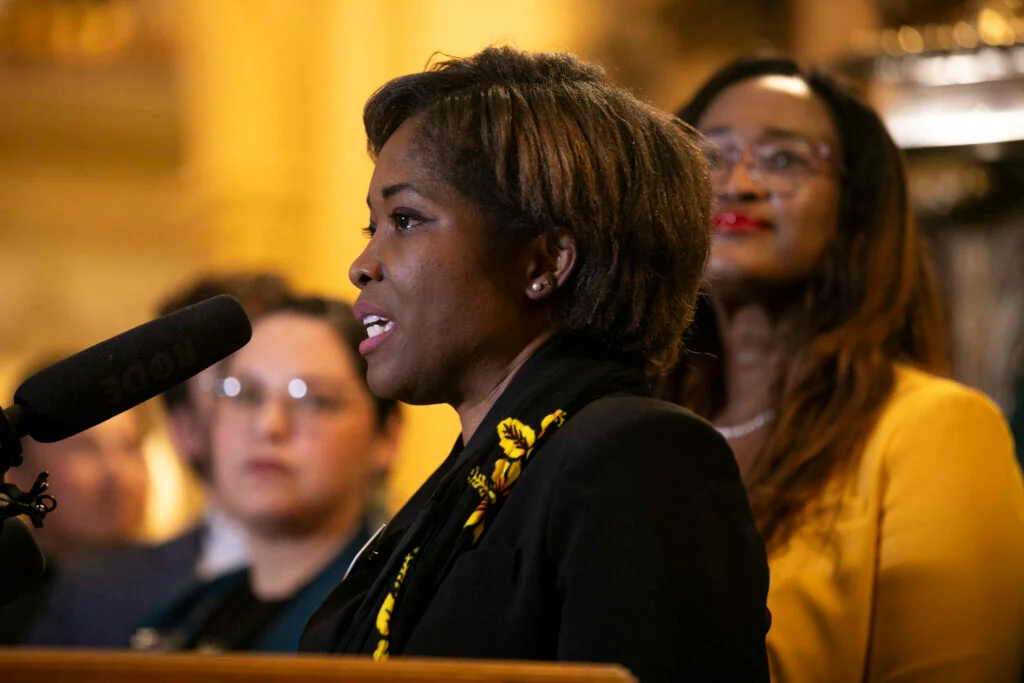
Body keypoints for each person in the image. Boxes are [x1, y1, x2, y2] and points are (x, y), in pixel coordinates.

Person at [298, 46, 770, 682]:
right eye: (371, 227)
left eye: (405, 219)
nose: (362, 265)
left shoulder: (638, 457)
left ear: (546, 264)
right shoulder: (471, 479)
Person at [656, 56, 1024, 682]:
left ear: (854, 207)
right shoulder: (641, 426)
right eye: (709, 157)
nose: (736, 183)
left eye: (782, 159)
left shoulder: (933, 428)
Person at [30, 272, 292, 648]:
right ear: (184, 428)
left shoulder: (378, 581)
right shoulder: (94, 597)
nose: (273, 420)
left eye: (305, 388)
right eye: (238, 386)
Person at [131, 296, 399, 652]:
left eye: (314, 399)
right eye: (246, 395)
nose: (269, 426)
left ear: (386, 437)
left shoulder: (396, 618)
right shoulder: (180, 616)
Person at [0, 358, 147, 644]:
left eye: (130, 447)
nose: (117, 475)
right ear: (17, 474)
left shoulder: (189, 594)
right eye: (85, 449)